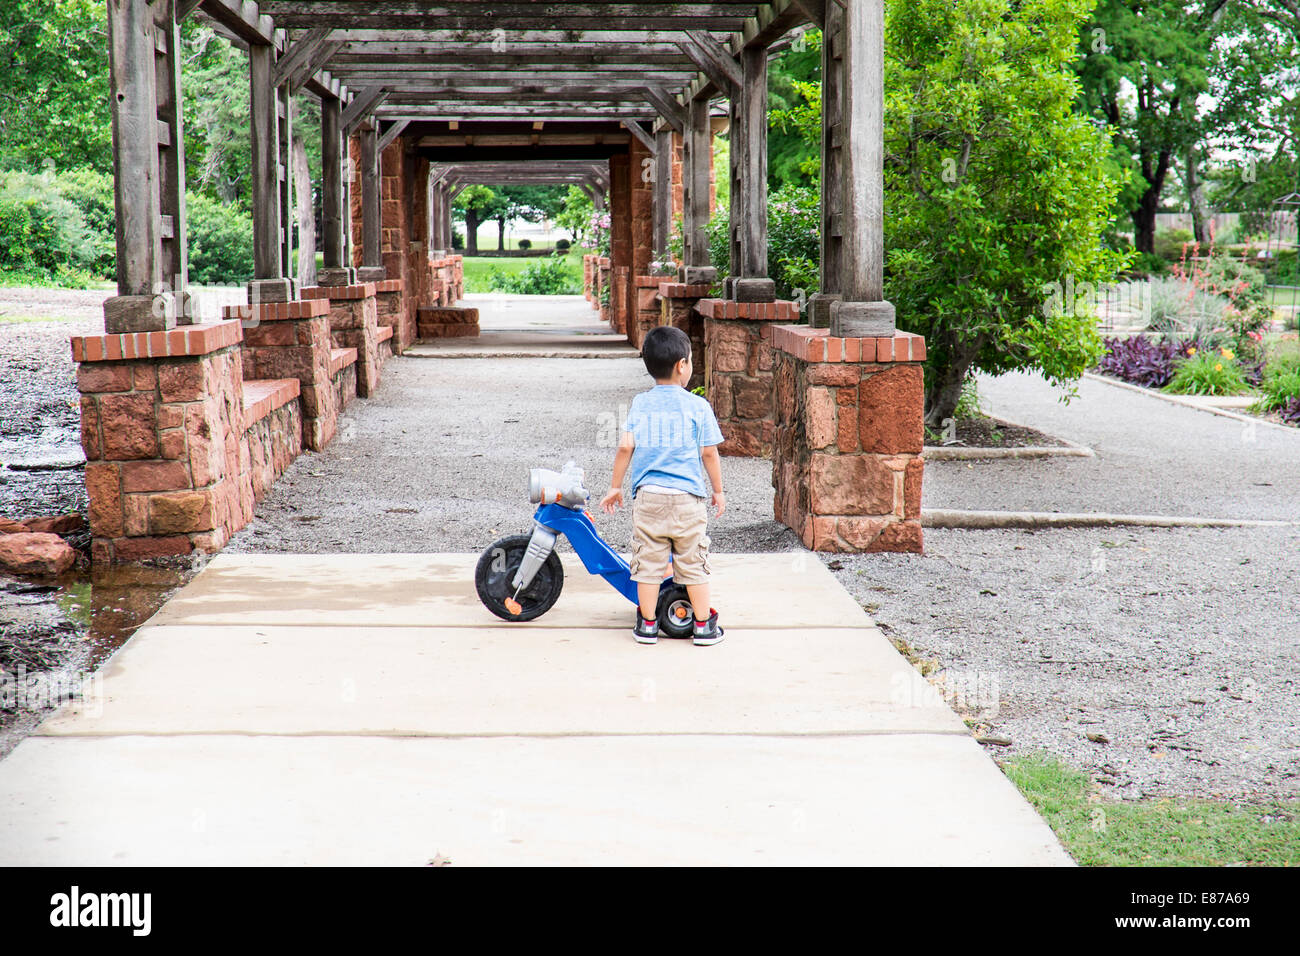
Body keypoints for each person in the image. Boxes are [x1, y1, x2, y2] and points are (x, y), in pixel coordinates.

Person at [599, 325, 726, 645]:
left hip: (649, 498)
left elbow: (626, 447)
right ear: (682, 365)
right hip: (688, 500)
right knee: (693, 562)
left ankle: (648, 624)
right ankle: (702, 626)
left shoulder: (641, 404)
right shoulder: (698, 406)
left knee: (648, 563)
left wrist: (615, 486)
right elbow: (709, 452)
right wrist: (718, 490)